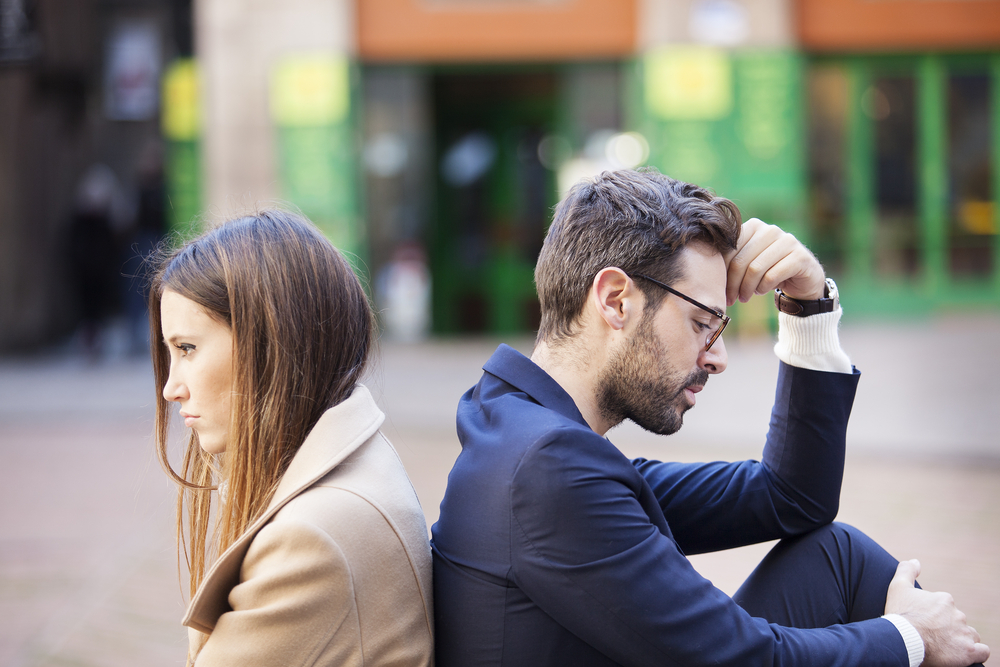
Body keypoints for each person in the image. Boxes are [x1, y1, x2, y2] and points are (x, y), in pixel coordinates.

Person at [430, 169, 989, 667]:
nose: (718, 358)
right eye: (703, 323)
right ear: (616, 300)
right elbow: (744, 656)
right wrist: (912, 637)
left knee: (836, 555)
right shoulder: (546, 471)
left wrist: (807, 306)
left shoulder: (529, 436)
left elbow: (791, 498)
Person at [149, 210, 434, 666]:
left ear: (270, 341)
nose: (171, 387)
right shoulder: (352, 461)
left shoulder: (311, 537)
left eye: (188, 349)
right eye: (171, 353)